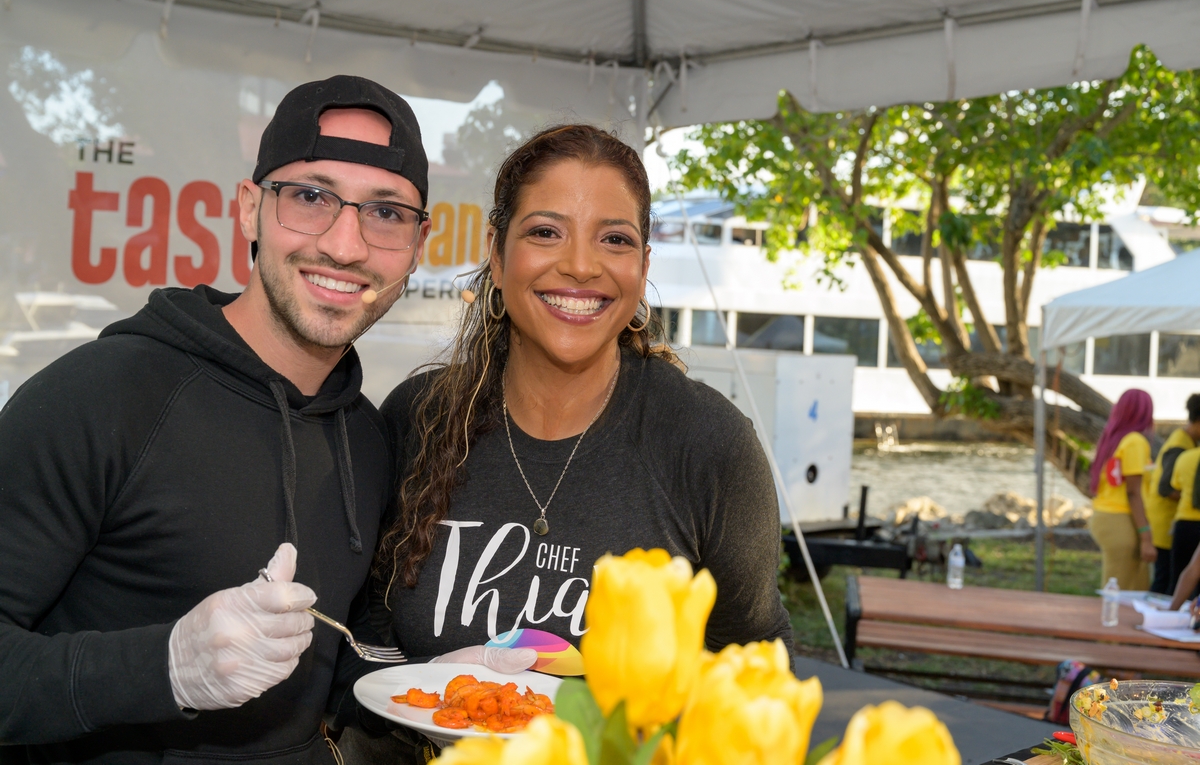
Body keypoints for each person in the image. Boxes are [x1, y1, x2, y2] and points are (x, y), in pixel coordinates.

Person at [0, 76, 431, 764]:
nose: (346, 246)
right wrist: (166, 667)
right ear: (249, 209)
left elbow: (328, 667)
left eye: (386, 213)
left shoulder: (368, 439)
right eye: (312, 197)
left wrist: (440, 684)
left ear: (417, 244)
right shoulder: (100, 396)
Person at [376, 124, 794, 669]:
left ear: (643, 268)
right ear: (497, 258)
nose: (579, 264)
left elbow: (758, 667)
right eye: (546, 232)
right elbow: (366, 634)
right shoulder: (417, 418)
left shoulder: (710, 446)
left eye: (614, 239)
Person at [1088, 389, 1156, 590]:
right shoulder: (1135, 441)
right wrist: (1146, 537)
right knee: (1123, 594)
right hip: (1121, 520)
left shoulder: (1112, 440)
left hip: (1106, 517)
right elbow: (1133, 492)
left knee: (1119, 587)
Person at [1146, 394, 1200, 594]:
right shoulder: (1179, 445)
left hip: (1174, 524)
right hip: (1166, 524)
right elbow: (1165, 488)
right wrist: (1191, 494)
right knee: (1167, 581)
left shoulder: (1188, 443)